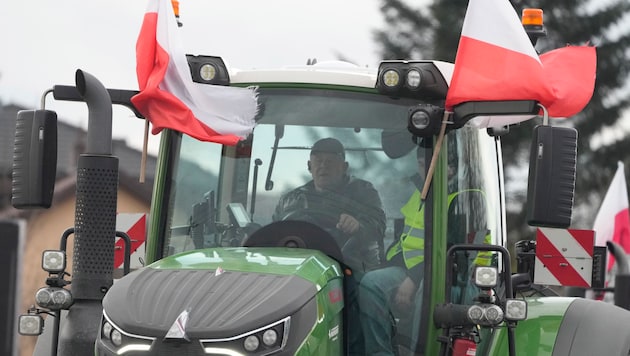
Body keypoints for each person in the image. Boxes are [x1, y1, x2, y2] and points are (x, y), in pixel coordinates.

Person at [358, 140, 493, 356]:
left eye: (430, 164)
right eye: (421, 164)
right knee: (370, 283)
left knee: (428, 293)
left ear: (450, 167)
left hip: (460, 278)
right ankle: (380, 352)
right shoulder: (422, 194)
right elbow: (407, 242)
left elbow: (456, 257)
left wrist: (412, 279)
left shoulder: (465, 198)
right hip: (417, 269)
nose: (424, 170)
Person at [272, 137, 386, 272]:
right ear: (309, 166)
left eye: (330, 162)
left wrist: (358, 226)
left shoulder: (363, 192)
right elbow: (273, 234)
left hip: (351, 270)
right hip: (299, 269)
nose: (323, 166)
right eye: (318, 161)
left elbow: (378, 226)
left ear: (344, 167)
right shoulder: (290, 200)